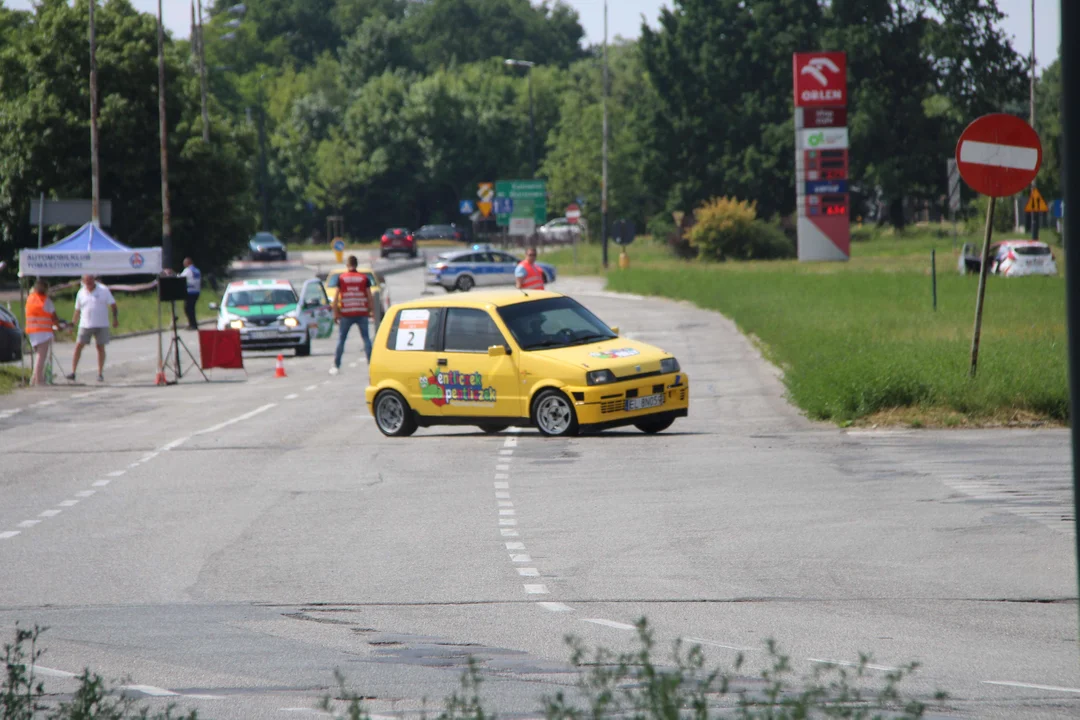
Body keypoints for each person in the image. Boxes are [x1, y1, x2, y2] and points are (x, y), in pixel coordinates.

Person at [67, 274, 118, 383]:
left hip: (101, 323)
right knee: (78, 346)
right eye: (86, 282)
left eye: (90, 281)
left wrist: (115, 319)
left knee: (100, 347)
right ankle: (73, 371)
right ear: (83, 282)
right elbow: (77, 310)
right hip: (85, 324)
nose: (88, 284)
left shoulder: (103, 290)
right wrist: (73, 324)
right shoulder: (81, 292)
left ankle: (100, 373)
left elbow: (113, 305)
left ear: (94, 280)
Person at [330, 255, 373, 375]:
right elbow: (369, 297)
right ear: (357, 264)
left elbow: (336, 297)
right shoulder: (364, 278)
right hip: (361, 312)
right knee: (366, 339)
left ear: (347, 265)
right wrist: (371, 311)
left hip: (346, 313)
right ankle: (371, 364)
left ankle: (336, 365)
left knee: (341, 339)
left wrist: (336, 313)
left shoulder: (342, 278)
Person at [24, 279, 62, 386]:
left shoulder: (30, 299)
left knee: (38, 356)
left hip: (32, 331)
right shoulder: (46, 300)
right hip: (43, 332)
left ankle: (34, 378)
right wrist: (59, 326)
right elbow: (54, 317)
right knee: (41, 357)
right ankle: (39, 380)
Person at [179, 257, 201, 330]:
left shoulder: (188, 270)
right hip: (196, 291)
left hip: (190, 292)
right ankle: (193, 324)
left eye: (184, 263)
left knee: (188, 309)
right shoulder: (197, 270)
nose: (184, 265)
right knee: (191, 309)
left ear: (187, 263)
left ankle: (192, 325)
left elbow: (181, 278)